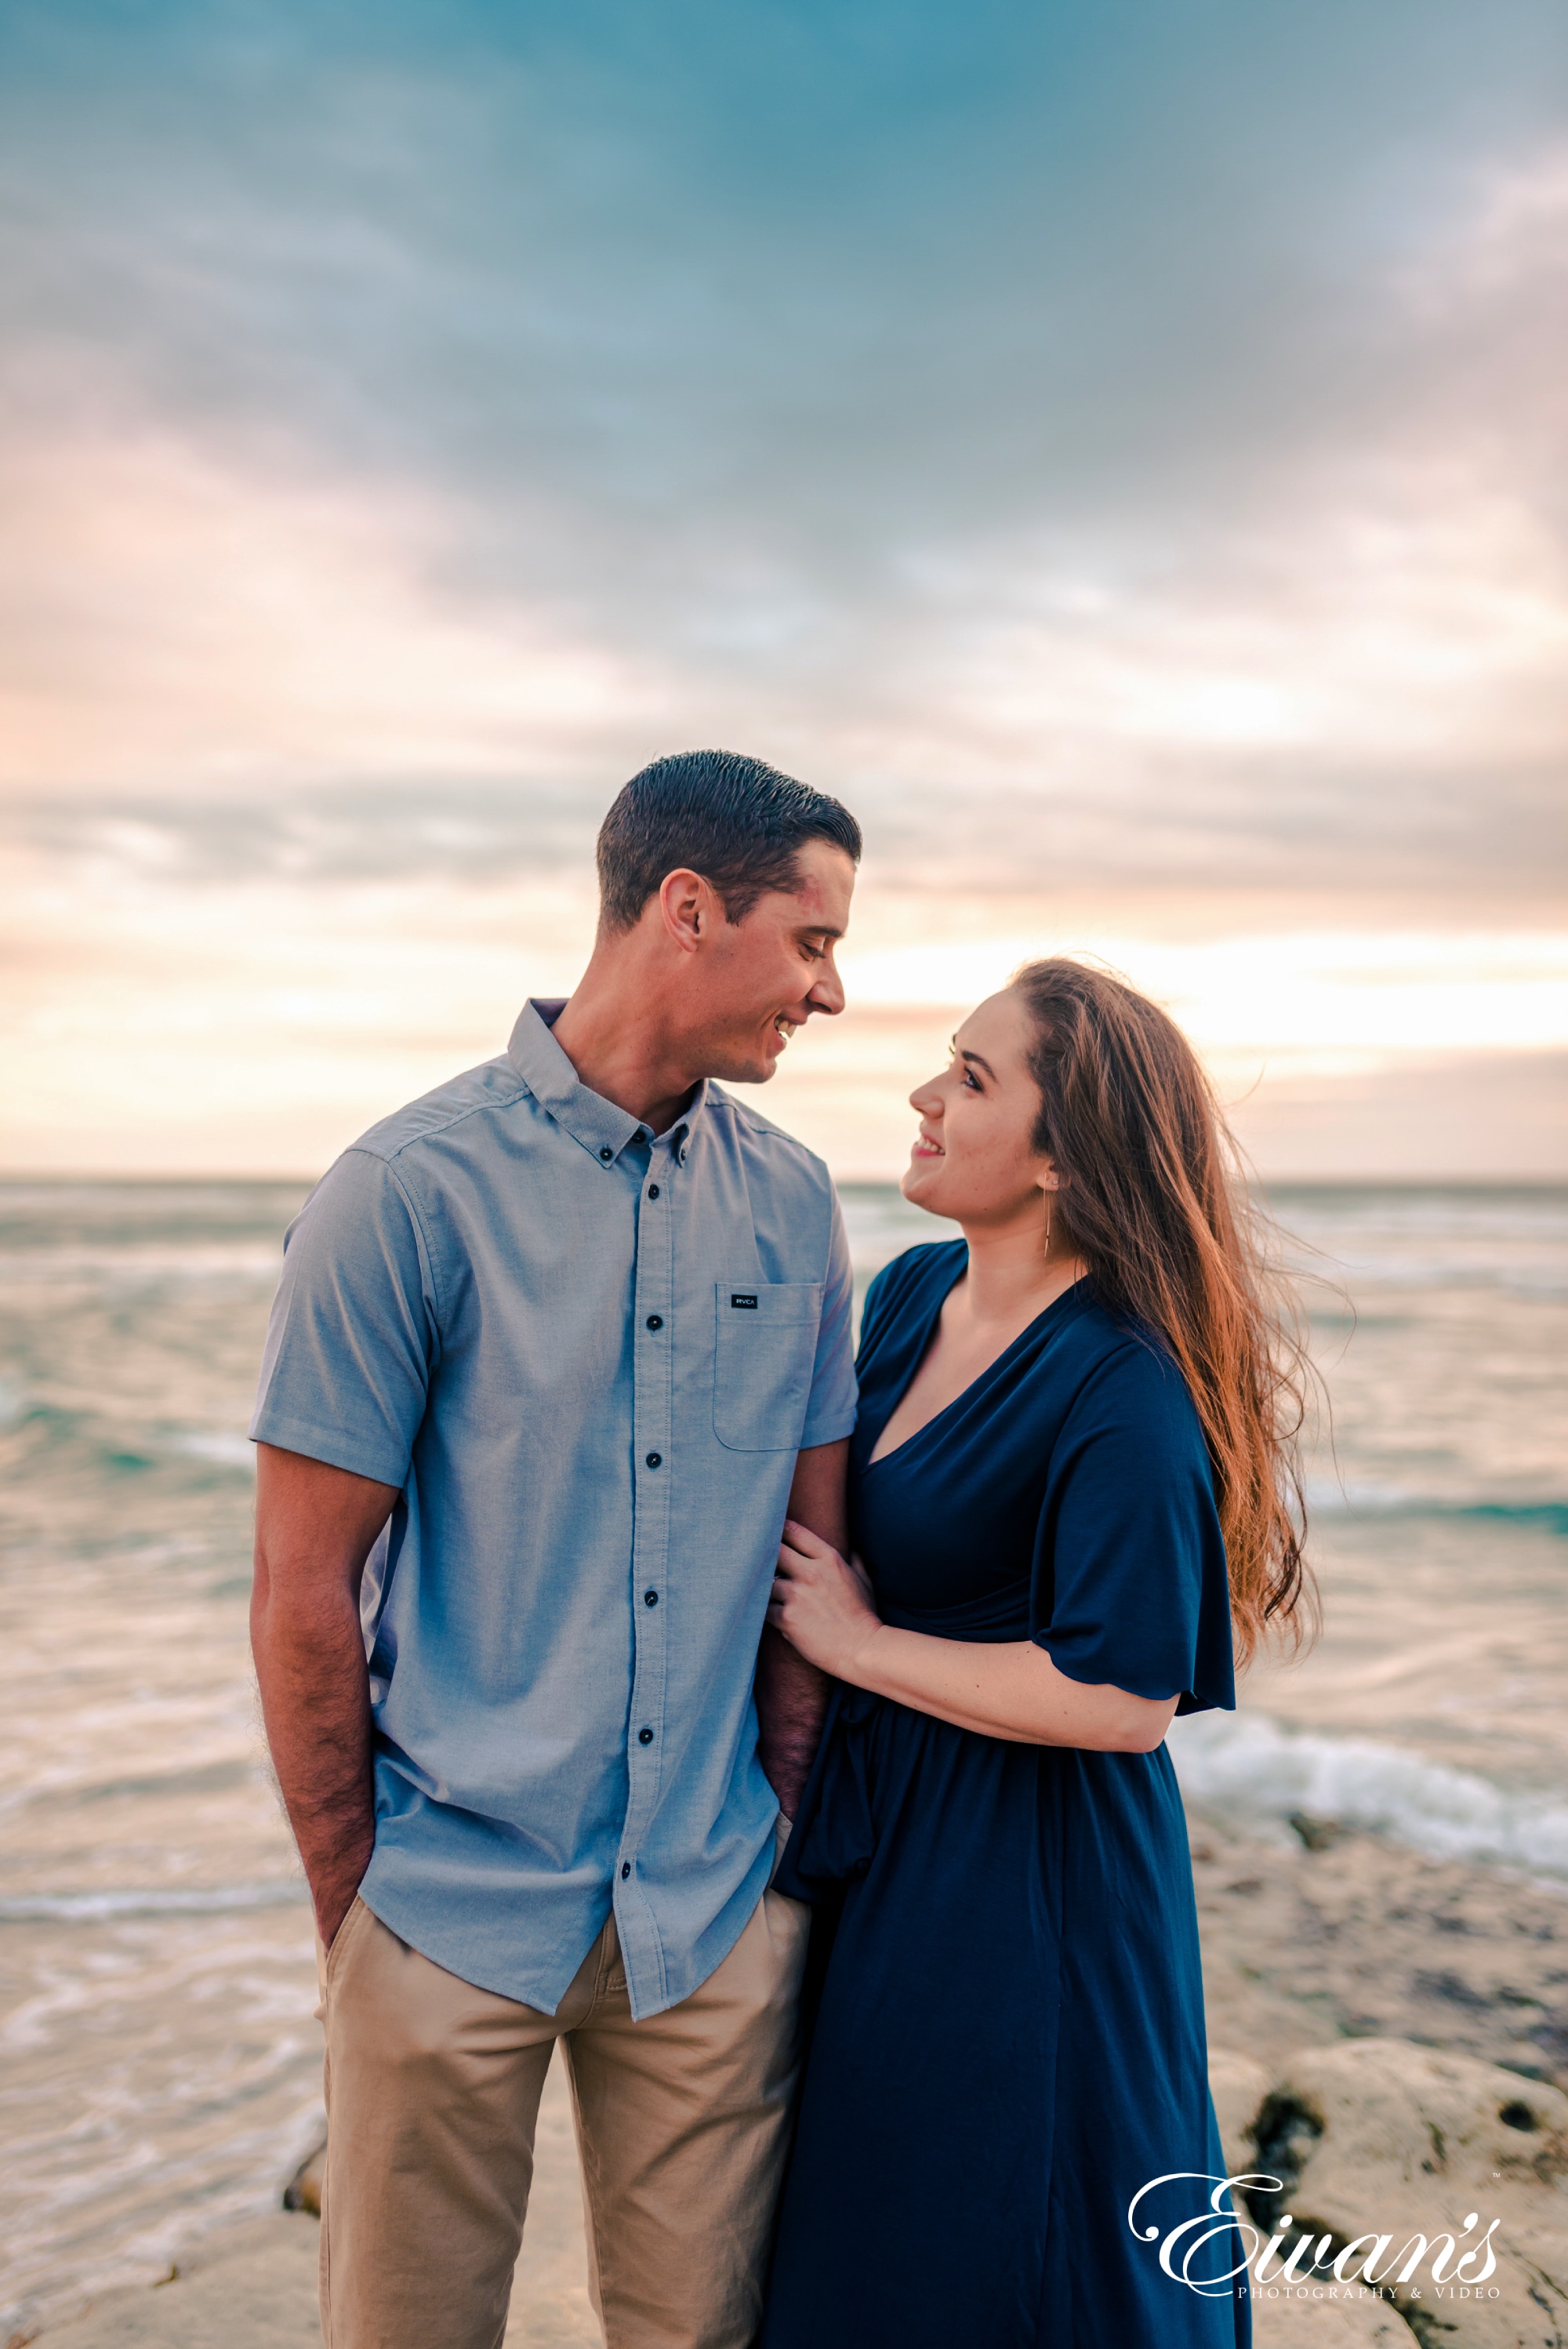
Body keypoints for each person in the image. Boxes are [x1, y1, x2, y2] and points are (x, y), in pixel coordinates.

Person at [249, 750, 862, 2349]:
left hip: (713, 1918)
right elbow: (302, 1590)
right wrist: (357, 1910)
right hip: (443, 1907)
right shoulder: (403, 1195)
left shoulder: (796, 1209)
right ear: (685, 909)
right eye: (811, 940)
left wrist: (773, 1856)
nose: (833, 990)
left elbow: (813, 1565)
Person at [761, 959, 1315, 2349]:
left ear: (1065, 1153)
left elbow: (1123, 1698)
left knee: (1022, 2248)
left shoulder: (1123, 1385)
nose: (923, 1096)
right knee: (877, 2244)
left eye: (971, 1079)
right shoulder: (910, 1295)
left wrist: (858, 1642)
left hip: (1033, 1882)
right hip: (896, 1855)